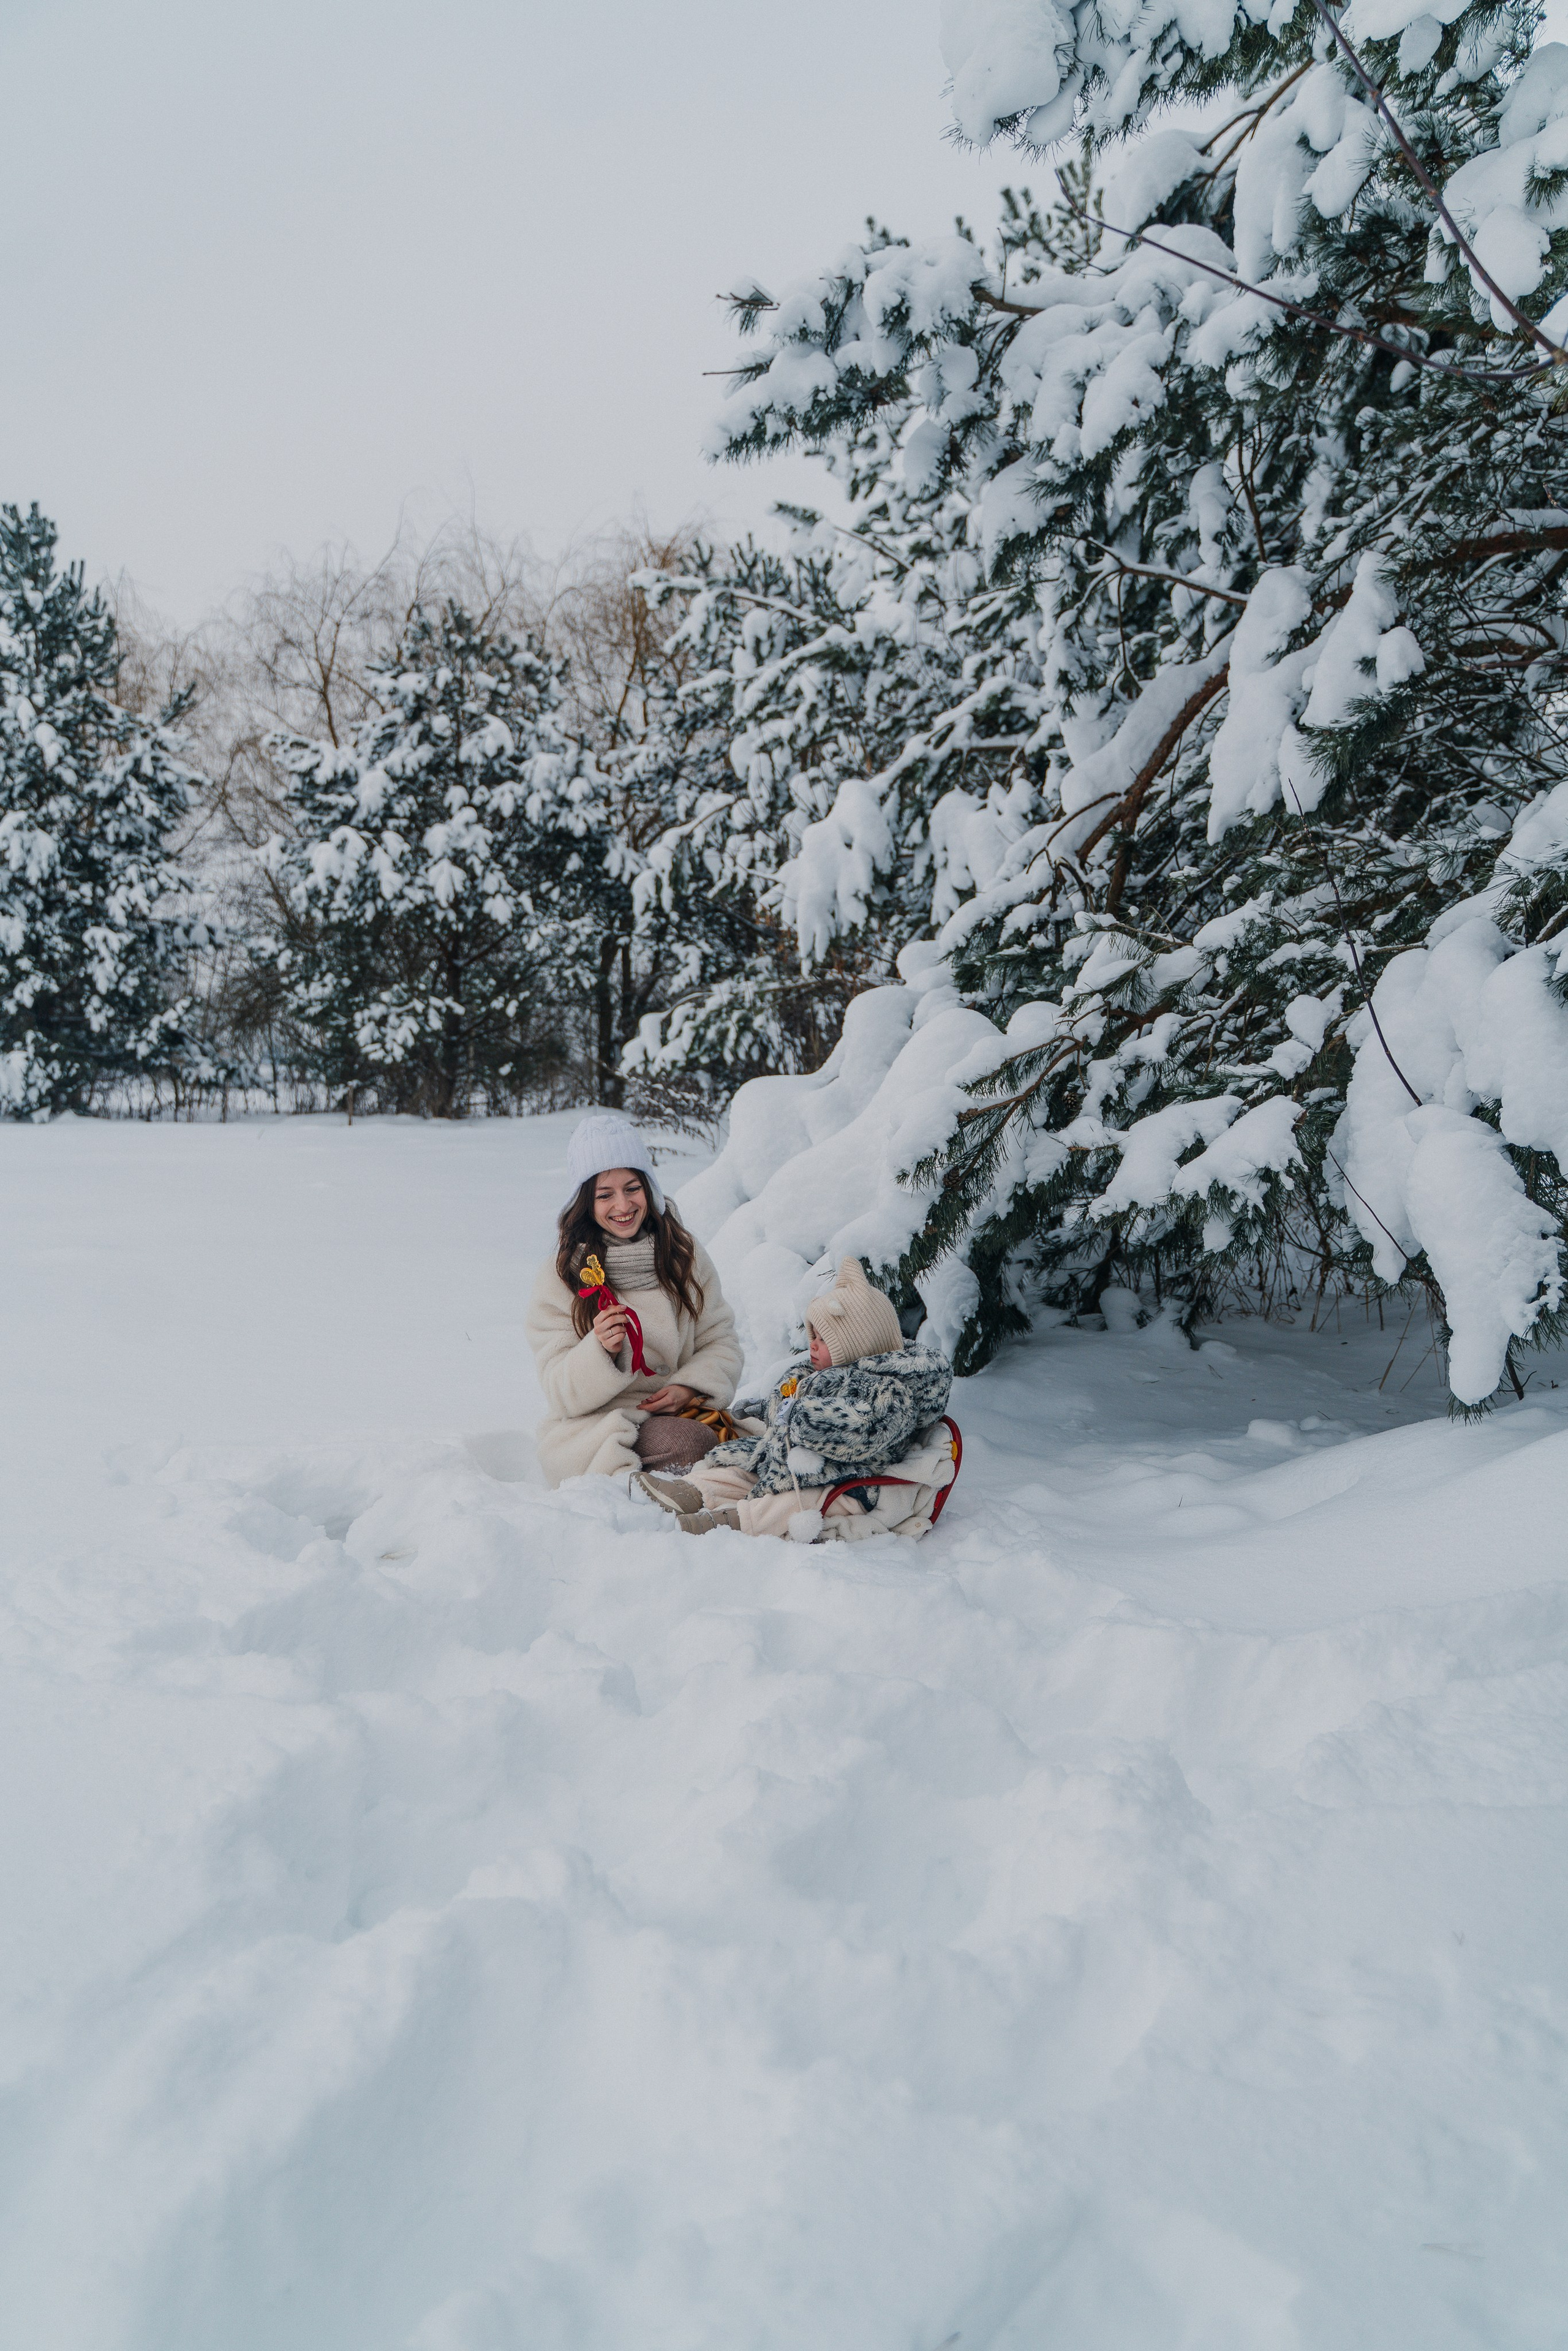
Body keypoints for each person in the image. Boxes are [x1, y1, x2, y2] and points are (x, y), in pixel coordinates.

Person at [633, 1255, 952, 1539]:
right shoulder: (818, 1376)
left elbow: (863, 1429)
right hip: (802, 1465)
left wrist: (802, 1419)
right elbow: (787, 1409)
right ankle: (693, 1491)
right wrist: (772, 1409)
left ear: (857, 1344)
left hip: (851, 1482)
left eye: (824, 1339)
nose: (811, 1345)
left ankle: (731, 1522)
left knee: (786, 1503)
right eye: (812, 1335)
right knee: (747, 1464)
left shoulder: (888, 1392)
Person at [527, 1112, 743, 1487]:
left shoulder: (682, 1255)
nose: (623, 1205)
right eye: (605, 1195)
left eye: (632, 1188)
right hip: (600, 1426)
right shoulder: (563, 1273)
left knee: (751, 1445)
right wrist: (601, 1351)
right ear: (585, 1202)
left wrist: (690, 1387)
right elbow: (558, 1389)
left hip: (683, 1412)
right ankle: (653, 1497)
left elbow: (720, 1339)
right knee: (695, 1445)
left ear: (649, 1187)